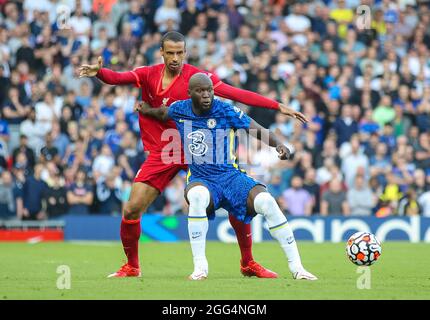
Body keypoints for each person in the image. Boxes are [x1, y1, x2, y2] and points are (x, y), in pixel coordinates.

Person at [79, 31, 307, 278]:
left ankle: (248, 262)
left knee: (234, 197)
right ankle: (132, 266)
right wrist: (100, 73)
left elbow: (237, 94)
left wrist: (277, 106)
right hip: (165, 150)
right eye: (171, 53)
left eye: (180, 52)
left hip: (201, 150)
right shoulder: (148, 74)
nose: (176, 58)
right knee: (132, 208)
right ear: (162, 53)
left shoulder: (199, 78)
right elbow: (119, 77)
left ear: (185, 52)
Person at [136, 73, 317, 281]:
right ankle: (200, 268)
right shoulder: (180, 109)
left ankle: (298, 268)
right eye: (200, 91)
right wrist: (145, 109)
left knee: (267, 201)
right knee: (197, 197)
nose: (206, 95)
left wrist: (278, 144)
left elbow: (255, 129)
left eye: (209, 90)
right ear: (189, 93)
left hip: (230, 177)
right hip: (201, 178)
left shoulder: (224, 109)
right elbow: (162, 113)